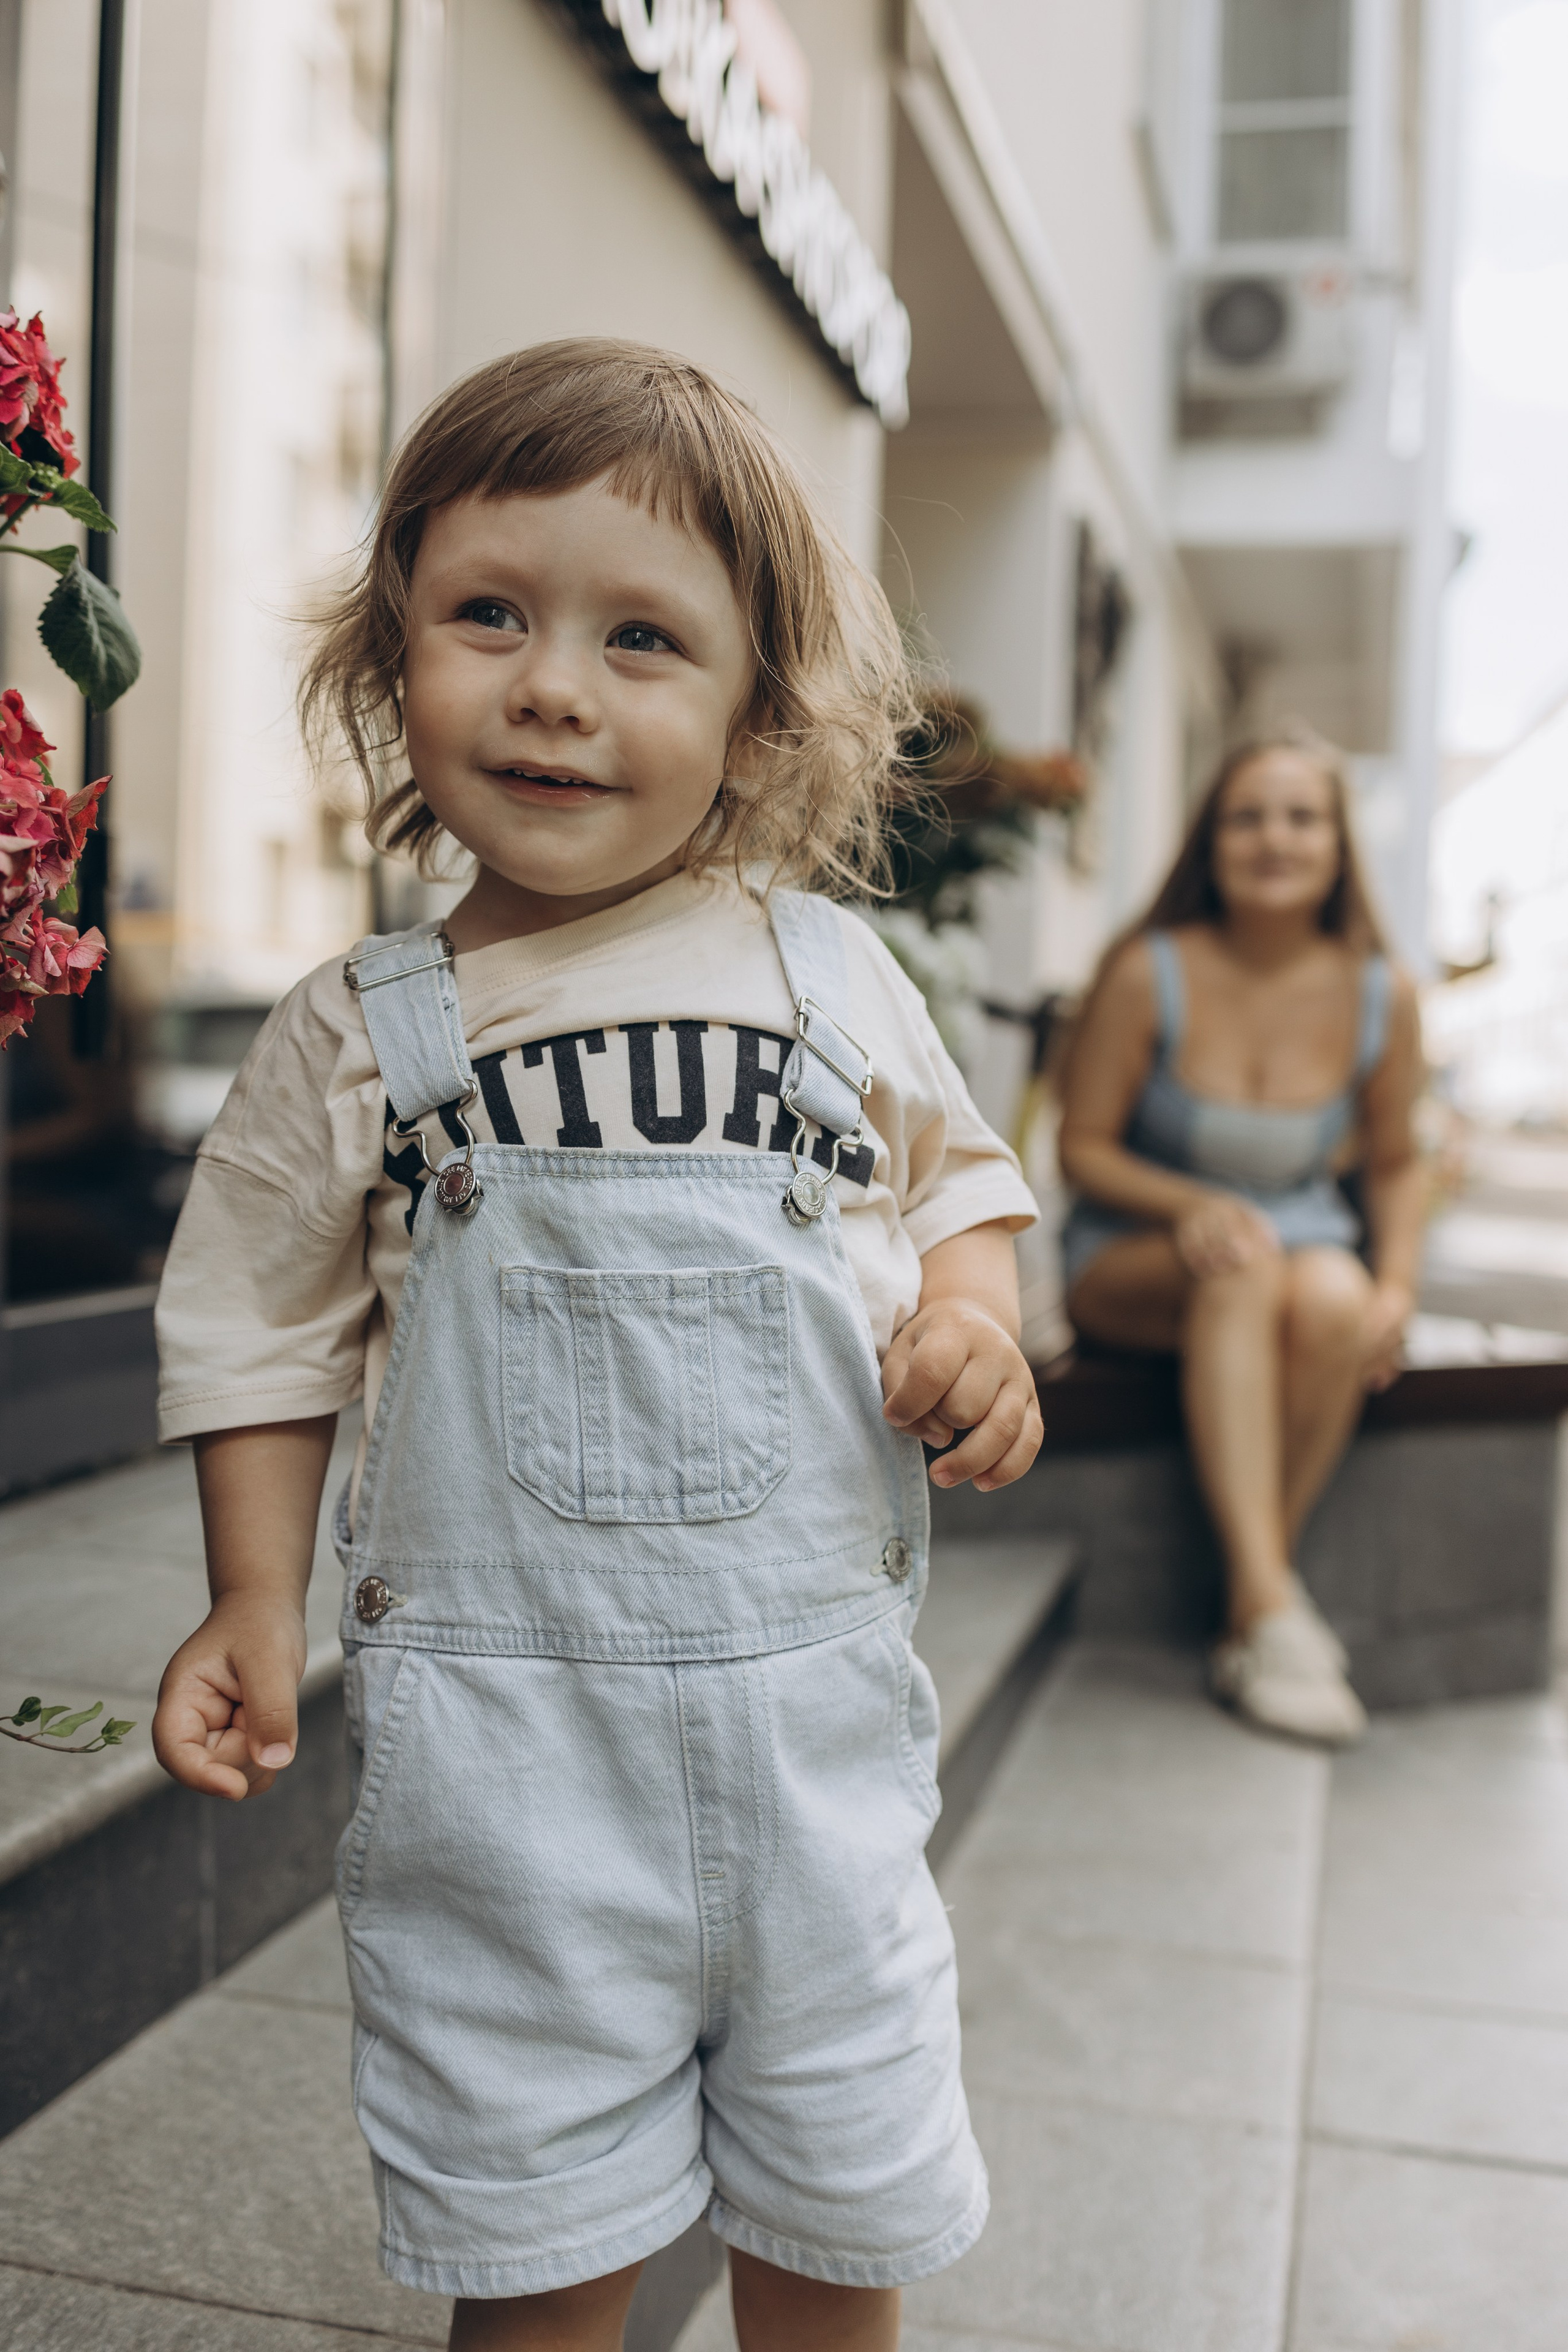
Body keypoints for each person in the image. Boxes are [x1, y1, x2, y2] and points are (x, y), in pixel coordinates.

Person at [150, 342, 1044, 2352]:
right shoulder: (366, 1031)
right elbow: (258, 1339)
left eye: (644, 640)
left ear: (753, 718)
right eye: (491, 617)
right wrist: (246, 1598)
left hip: (820, 1759)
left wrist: (978, 1332)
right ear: (398, 657)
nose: (553, 685)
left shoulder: (831, 976)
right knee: (534, 2249)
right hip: (509, 1787)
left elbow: (961, 1191)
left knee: (841, 2214)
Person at [1057, 734, 1423, 1746]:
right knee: (1243, 1264)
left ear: (1340, 845)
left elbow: (1395, 1163)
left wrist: (1395, 1283)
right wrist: (1189, 1209)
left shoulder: (1383, 996)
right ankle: (1269, 1609)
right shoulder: (1148, 971)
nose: (1276, 838)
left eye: (1302, 817)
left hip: (1301, 1244)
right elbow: (1079, 1145)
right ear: (1210, 840)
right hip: (1136, 1253)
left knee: (1338, 1300)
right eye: (1247, 815)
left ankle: (1253, 1606)